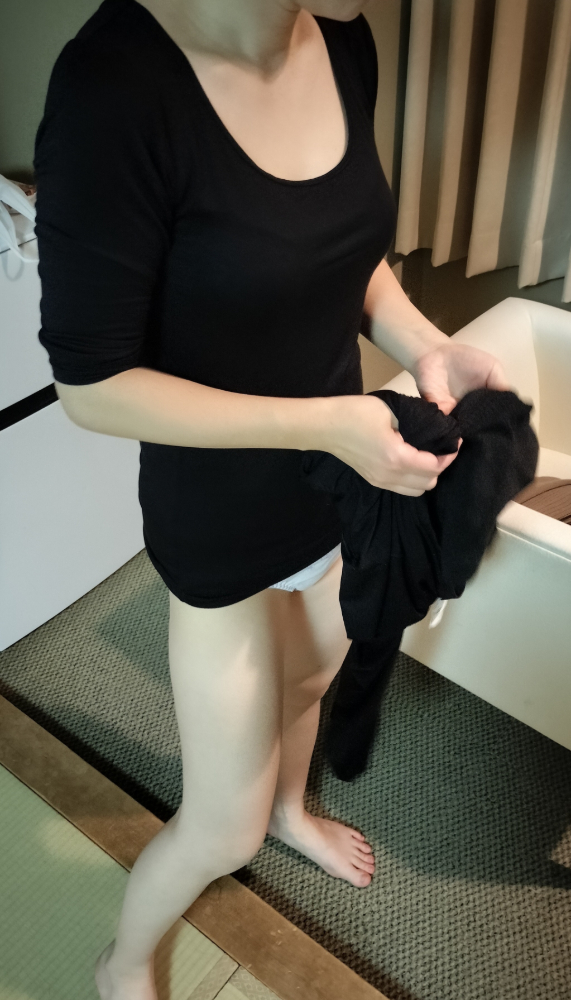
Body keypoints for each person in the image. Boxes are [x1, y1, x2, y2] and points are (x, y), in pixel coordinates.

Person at [32, 1, 509, 997]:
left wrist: (426, 343)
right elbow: (92, 387)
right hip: (222, 515)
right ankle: (124, 960)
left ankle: (293, 810)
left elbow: (339, 247)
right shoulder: (113, 88)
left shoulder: (341, 36)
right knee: (221, 826)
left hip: (337, 479)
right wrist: (327, 424)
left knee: (305, 686)